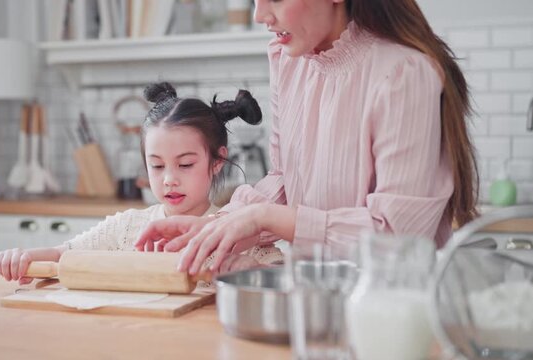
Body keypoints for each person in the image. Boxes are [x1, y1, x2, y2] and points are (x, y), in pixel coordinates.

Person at [135, 0, 478, 276]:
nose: (260, 15)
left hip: (393, 317)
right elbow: (286, 178)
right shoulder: (290, 60)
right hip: (314, 301)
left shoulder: (403, 74)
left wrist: (262, 218)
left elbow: (398, 237)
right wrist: (218, 225)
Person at [0, 82, 283, 284]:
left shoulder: (239, 233)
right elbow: (62, 254)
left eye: (184, 164)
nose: (169, 179)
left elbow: (280, 275)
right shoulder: (127, 227)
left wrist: (252, 270)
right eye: (156, 166)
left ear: (217, 160)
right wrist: (23, 258)